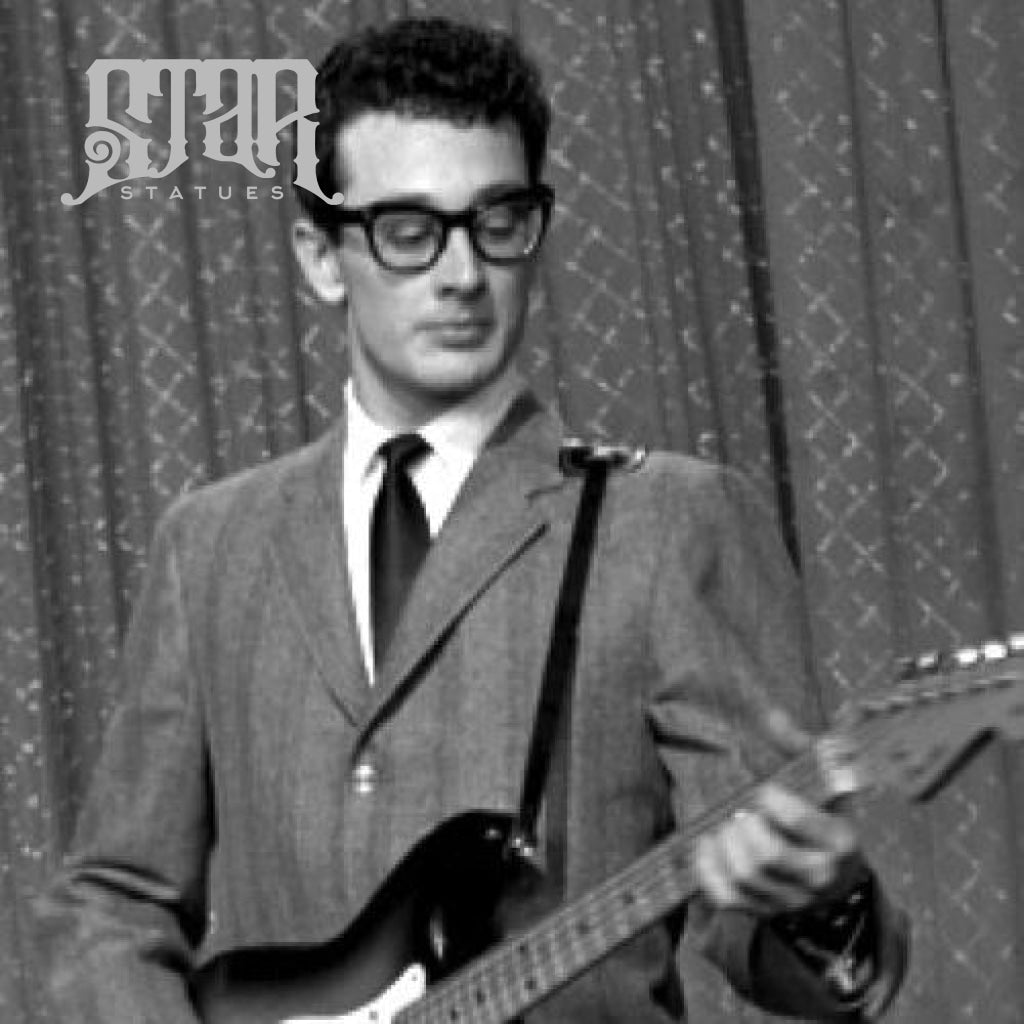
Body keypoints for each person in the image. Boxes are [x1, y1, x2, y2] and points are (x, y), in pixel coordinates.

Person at [36, 15, 908, 1023]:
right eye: (410, 232)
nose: (462, 275)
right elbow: (112, 900)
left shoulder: (672, 522)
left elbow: (792, 964)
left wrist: (824, 897)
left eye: (498, 221)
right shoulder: (211, 545)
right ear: (321, 257)